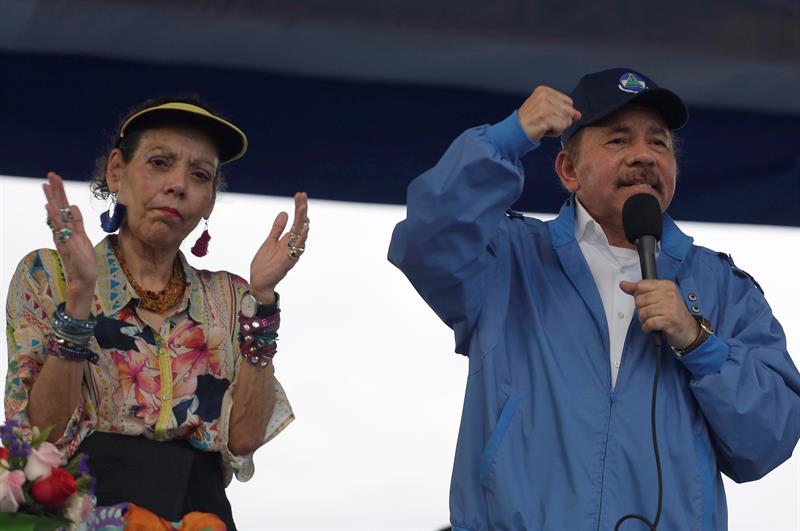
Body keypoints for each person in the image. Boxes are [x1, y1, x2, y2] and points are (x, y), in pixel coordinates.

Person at [388, 68, 800, 530]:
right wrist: (506, 139)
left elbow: (767, 441)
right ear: (568, 170)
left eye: (659, 143)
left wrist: (699, 343)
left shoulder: (724, 287)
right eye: (619, 141)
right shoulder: (507, 256)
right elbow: (426, 240)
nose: (644, 156)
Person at [5, 96, 310, 529]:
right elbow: (40, 436)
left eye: (199, 175)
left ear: (208, 202)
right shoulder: (49, 274)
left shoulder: (229, 296)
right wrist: (78, 300)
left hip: (201, 514)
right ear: (116, 173)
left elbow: (242, 439)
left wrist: (262, 302)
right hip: (88, 512)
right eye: (160, 163)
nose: (178, 185)